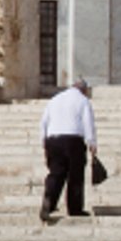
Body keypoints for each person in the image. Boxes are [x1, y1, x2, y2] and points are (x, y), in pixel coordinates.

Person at [39, 77, 97, 221]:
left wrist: (44, 141)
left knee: (56, 173)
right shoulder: (83, 101)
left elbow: (44, 122)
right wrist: (92, 143)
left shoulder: (55, 100)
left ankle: (49, 202)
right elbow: (88, 123)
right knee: (75, 175)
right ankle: (75, 208)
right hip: (73, 140)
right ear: (83, 89)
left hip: (53, 140)